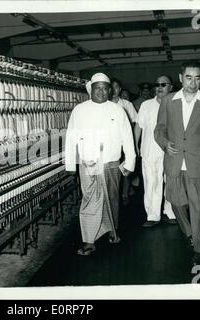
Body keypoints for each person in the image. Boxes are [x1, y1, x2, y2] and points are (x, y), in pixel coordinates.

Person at [154, 61, 200, 266]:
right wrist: (165, 144)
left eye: (197, 77)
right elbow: (159, 129)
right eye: (189, 77)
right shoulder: (167, 101)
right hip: (174, 162)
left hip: (198, 163)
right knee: (175, 202)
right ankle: (191, 233)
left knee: (199, 207)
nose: (193, 82)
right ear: (181, 78)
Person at [65, 73, 136, 256]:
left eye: (105, 88)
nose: (101, 92)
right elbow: (71, 138)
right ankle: (89, 241)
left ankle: (112, 230)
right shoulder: (79, 110)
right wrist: (71, 164)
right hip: (88, 164)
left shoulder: (118, 110)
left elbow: (127, 137)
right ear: (91, 89)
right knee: (90, 200)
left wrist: (130, 161)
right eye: (98, 88)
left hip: (111, 163)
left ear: (110, 90)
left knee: (112, 199)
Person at [134, 75, 177, 227]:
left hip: (171, 151)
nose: (159, 87)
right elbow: (138, 126)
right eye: (157, 84)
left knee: (171, 182)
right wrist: (135, 146)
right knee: (151, 183)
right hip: (149, 151)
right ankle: (152, 216)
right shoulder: (146, 105)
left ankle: (170, 212)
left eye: (164, 84)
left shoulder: (176, 104)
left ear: (171, 87)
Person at [110, 78, 138, 204]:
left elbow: (135, 123)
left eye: (117, 87)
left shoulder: (127, 105)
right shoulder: (106, 105)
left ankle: (125, 193)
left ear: (120, 89)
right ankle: (114, 194)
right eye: (112, 87)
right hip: (111, 144)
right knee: (114, 170)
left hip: (125, 142)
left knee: (126, 168)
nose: (114, 90)